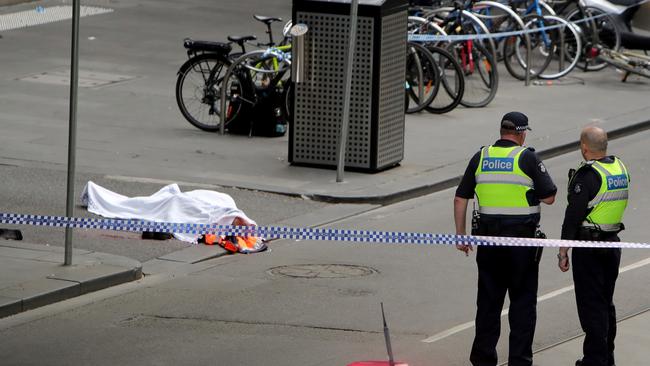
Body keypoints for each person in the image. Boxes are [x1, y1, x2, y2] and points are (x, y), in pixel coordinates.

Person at [453, 111, 557, 366]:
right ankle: (519, 361)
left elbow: (460, 198)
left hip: (488, 243)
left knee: (488, 303)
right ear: (521, 134)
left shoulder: (481, 156)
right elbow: (549, 197)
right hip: (521, 245)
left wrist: (461, 235)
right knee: (522, 304)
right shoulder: (527, 157)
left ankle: (483, 359)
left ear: (502, 131)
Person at [557, 126, 630, 366]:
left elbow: (573, 214)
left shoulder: (589, 174)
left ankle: (595, 361)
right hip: (612, 244)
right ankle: (606, 357)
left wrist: (563, 249)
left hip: (590, 247)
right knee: (605, 303)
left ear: (584, 147)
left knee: (591, 307)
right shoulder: (619, 167)